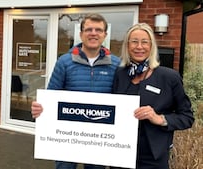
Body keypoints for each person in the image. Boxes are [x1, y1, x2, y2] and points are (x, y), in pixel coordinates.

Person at [31, 13, 120, 169]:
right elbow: (51, 95)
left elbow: (121, 99)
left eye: (98, 30)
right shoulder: (65, 61)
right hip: (68, 134)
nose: (93, 33)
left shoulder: (116, 64)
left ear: (105, 35)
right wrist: (40, 108)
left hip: (100, 136)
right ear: (81, 34)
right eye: (89, 29)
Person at [111, 23, 194, 169]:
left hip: (153, 156)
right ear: (127, 46)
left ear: (152, 46)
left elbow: (187, 117)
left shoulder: (169, 77)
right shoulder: (120, 74)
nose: (139, 47)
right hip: (121, 152)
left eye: (144, 42)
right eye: (134, 42)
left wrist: (160, 119)